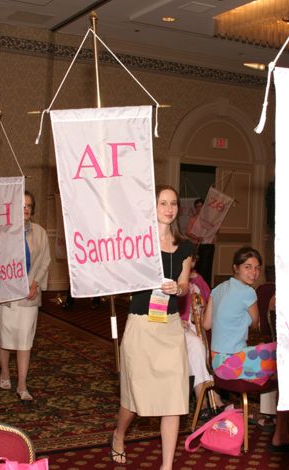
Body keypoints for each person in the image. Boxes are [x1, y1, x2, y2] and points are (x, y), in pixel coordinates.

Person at [110, 185, 193, 469]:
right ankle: (119, 434)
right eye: (162, 203)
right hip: (141, 326)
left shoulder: (185, 247)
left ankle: (167, 466)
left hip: (169, 328)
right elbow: (121, 277)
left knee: (174, 398)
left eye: (173, 203)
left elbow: (184, 284)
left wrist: (178, 290)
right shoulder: (138, 243)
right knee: (134, 398)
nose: (169, 209)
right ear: (152, 207)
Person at [203, 246, 289, 450]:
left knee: (267, 353)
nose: (254, 272)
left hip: (217, 363)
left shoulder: (217, 289)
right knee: (285, 356)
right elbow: (257, 324)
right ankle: (281, 432)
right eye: (248, 267)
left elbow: (206, 325)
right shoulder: (248, 293)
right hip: (233, 363)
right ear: (236, 268)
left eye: (257, 268)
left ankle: (264, 414)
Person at [0, 190, 51, 401]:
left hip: (28, 295)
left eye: (28, 206)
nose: (25, 209)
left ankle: (22, 384)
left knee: (25, 340)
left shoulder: (40, 232)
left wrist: (35, 283)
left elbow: (45, 261)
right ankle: (5, 373)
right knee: (4, 338)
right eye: (21, 206)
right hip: (5, 297)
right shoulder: (1, 232)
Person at [178, 252, 225, 419]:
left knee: (204, 348)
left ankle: (206, 397)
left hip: (196, 324)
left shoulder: (198, 280)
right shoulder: (174, 279)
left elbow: (208, 298)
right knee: (197, 346)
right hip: (178, 326)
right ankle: (206, 397)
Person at [185, 198, 215, 287]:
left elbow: (216, 230)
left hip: (208, 246)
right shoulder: (193, 218)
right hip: (196, 246)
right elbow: (187, 232)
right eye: (197, 206)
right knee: (197, 267)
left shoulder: (210, 219)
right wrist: (197, 237)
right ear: (195, 208)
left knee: (207, 268)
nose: (199, 208)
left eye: (201, 206)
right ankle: (197, 287)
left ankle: (206, 288)